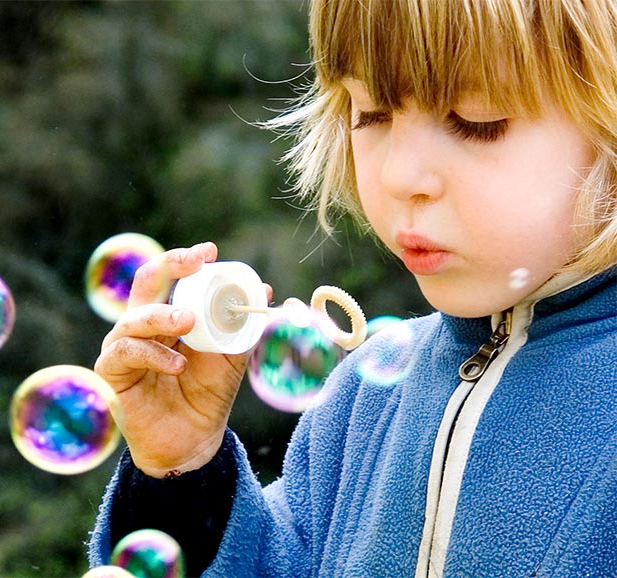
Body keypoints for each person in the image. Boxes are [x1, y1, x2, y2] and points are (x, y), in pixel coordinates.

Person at [88, 0, 617, 576]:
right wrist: (182, 469)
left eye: (476, 120)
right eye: (371, 113)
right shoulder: (363, 401)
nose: (399, 175)